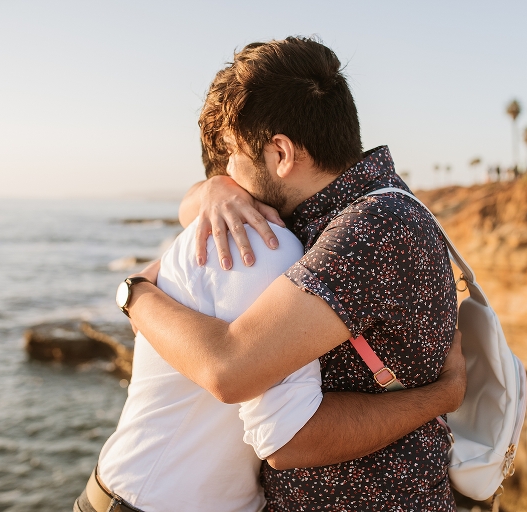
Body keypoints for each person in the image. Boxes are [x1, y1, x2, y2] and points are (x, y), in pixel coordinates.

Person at [124, 37, 462, 509]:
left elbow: (234, 376)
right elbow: (201, 203)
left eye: (233, 158)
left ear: (281, 154)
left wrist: (134, 292)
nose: (230, 176)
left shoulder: (371, 230)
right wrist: (214, 190)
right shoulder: (337, 209)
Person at [74, 160, 465, 510]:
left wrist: (133, 291)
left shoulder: (304, 233)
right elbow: (239, 386)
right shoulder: (259, 248)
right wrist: (441, 397)